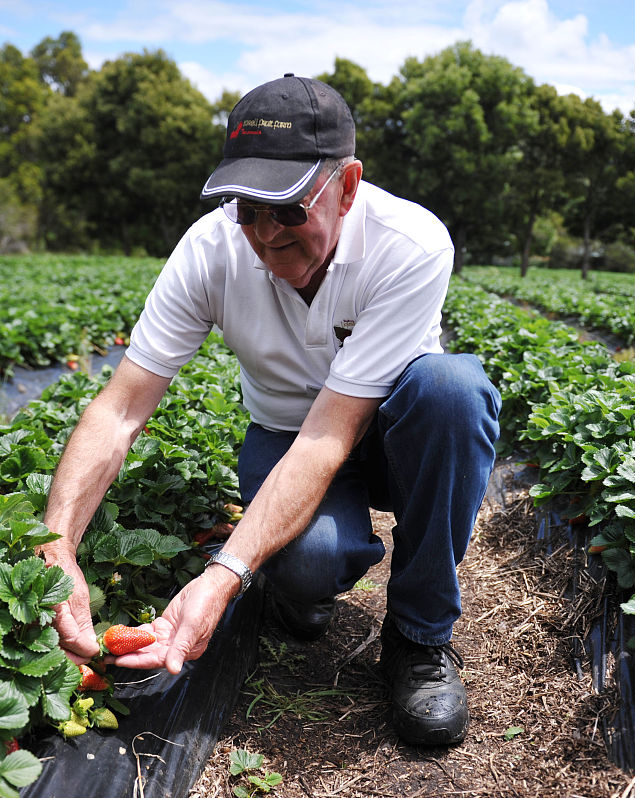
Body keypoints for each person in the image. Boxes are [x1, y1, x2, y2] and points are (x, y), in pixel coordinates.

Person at [36, 74, 501, 747]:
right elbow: (121, 408)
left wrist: (223, 575)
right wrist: (57, 542)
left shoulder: (410, 243)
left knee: (452, 392)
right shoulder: (209, 250)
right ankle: (301, 581)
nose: (262, 232)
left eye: (287, 209)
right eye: (246, 207)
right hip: (286, 432)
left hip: (396, 433)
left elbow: (333, 433)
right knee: (309, 564)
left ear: (347, 187)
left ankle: (419, 638)